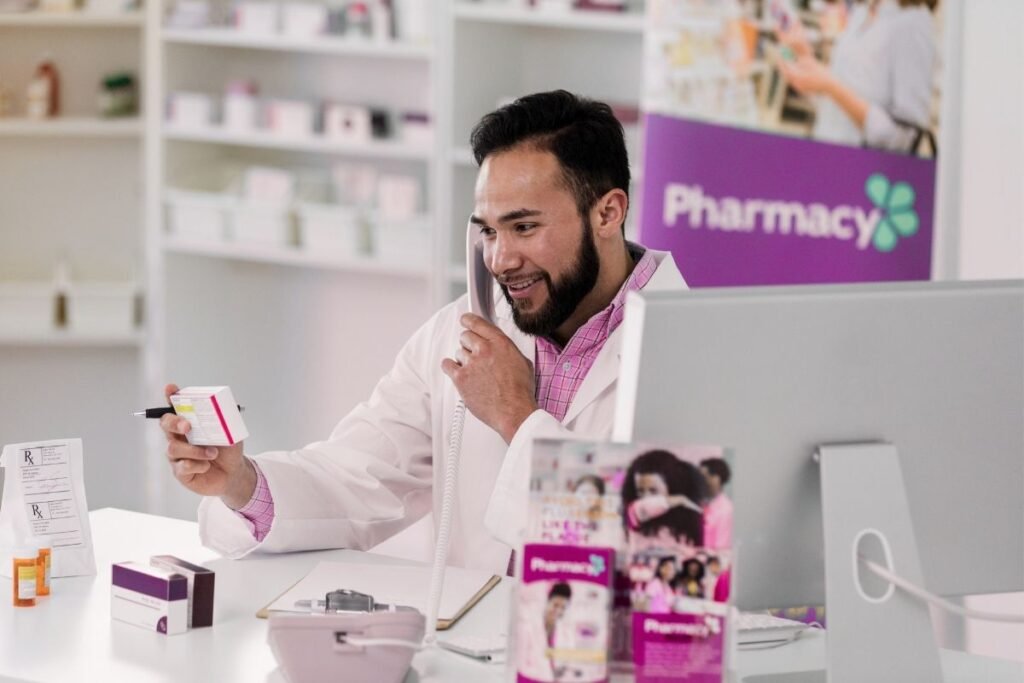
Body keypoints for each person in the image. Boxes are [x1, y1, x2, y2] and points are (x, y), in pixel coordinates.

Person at [159, 90, 688, 572]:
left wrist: (514, 416)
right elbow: (361, 477)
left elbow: (658, 555)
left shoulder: (696, 352)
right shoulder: (458, 333)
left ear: (608, 212)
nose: (500, 260)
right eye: (488, 231)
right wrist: (241, 482)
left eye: (525, 227)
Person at [777, 0, 938, 153]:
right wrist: (806, 60)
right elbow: (840, 106)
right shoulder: (863, 12)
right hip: (826, 156)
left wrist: (831, 87)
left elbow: (905, 138)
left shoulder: (914, 25)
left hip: (862, 172)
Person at [621, 449, 708, 556]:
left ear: (672, 487)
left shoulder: (688, 519)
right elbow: (642, 508)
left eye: (653, 491)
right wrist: (678, 500)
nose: (646, 497)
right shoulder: (634, 513)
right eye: (640, 491)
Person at [518, 581, 573, 682]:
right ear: (548, 601)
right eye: (556, 605)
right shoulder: (529, 628)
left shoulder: (566, 634)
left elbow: (566, 668)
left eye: (563, 607)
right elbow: (521, 665)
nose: (559, 611)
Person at [700, 457, 733, 551]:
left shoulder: (725, 509)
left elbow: (721, 548)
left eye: (703, 477)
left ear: (716, 479)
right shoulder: (701, 503)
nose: (699, 481)